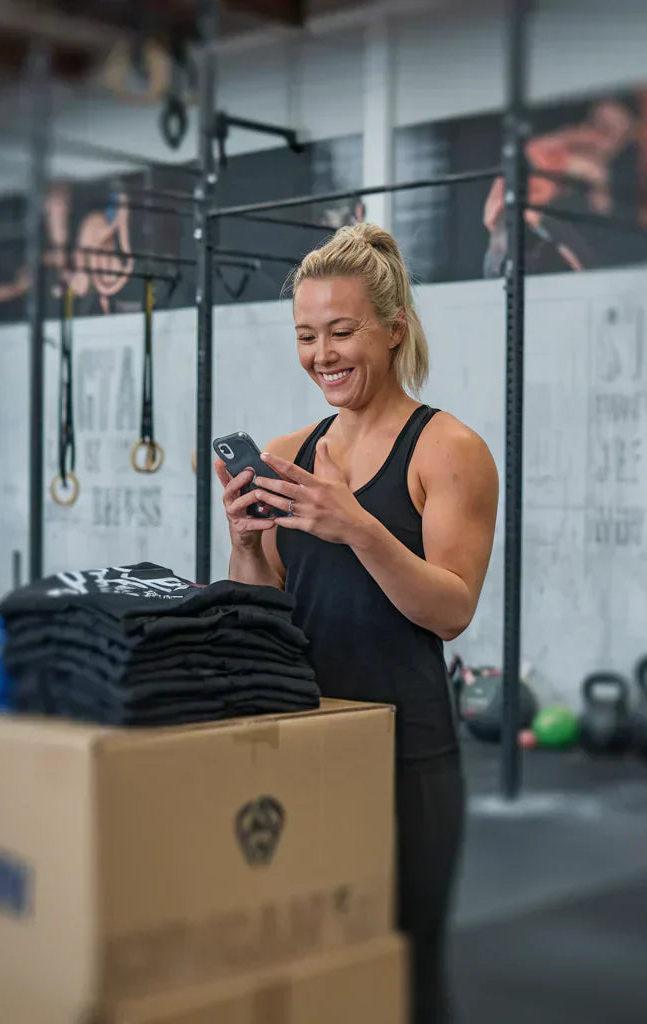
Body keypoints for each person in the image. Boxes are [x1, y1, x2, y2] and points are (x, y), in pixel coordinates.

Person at [215, 223, 500, 1024]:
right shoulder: (283, 452)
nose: (323, 354)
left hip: (406, 752)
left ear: (393, 329)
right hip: (303, 742)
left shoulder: (448, 451)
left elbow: (451, 609)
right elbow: (261, 605)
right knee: (313, 975)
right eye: (307, 336)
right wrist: (243, 543)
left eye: (342, 332)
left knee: (405, 982)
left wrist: (357, 526)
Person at [483, 98, 636, 276]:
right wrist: (602, 195)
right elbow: (592, 169)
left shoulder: (562, 147)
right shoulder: (581, 141)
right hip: (527, 202)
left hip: (527, 200)